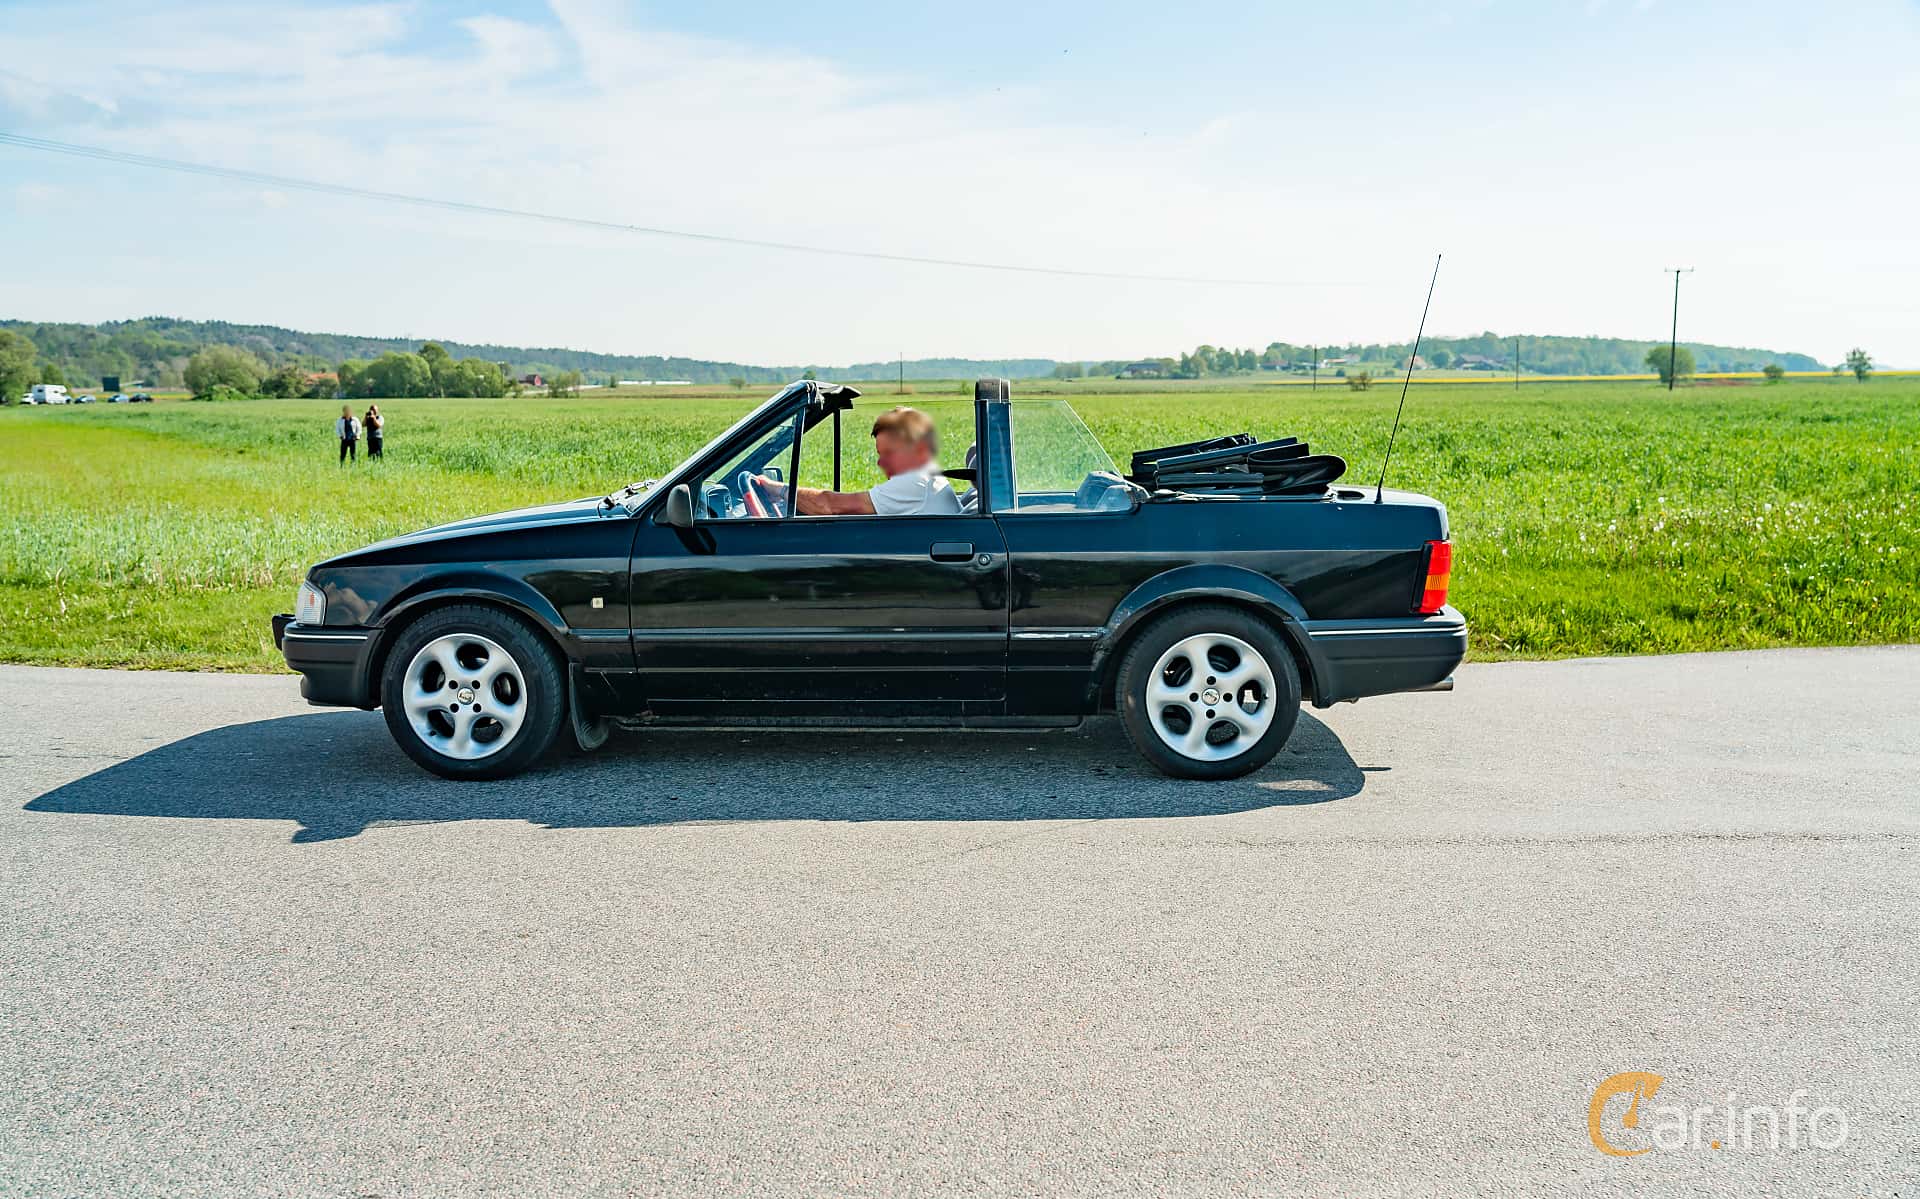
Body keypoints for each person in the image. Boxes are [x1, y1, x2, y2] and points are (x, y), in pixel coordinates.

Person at [756, 406, 960, 516]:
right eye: (880, 454)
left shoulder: (915, 481)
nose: (880, 463)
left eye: (889, 453)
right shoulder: (924, 476)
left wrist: (778, 490)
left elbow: (829, 506)